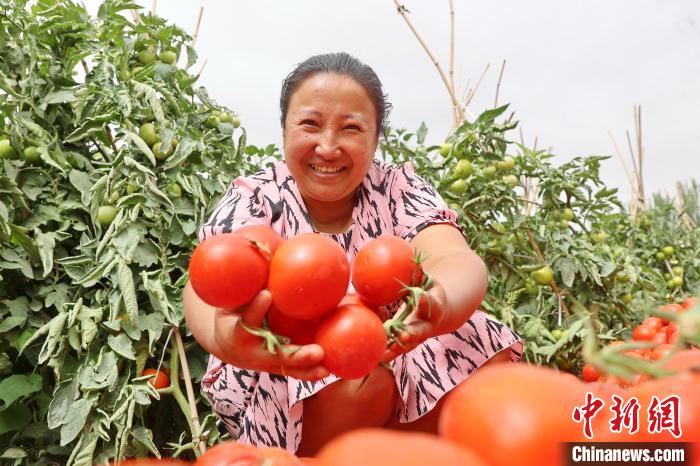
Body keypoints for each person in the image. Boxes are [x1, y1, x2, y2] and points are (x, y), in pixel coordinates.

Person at [183, 52, 523, 456]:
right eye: (310, 124)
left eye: (351, 129)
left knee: (475, 337)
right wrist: (226, 339)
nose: (327, 147)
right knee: (358, 373)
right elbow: (206, 284)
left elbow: (454, 258)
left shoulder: (398, 189)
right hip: (285, 375)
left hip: (398, 358)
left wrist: (441, 302)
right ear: (284, 129)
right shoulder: (258, 198)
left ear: (376, 139)